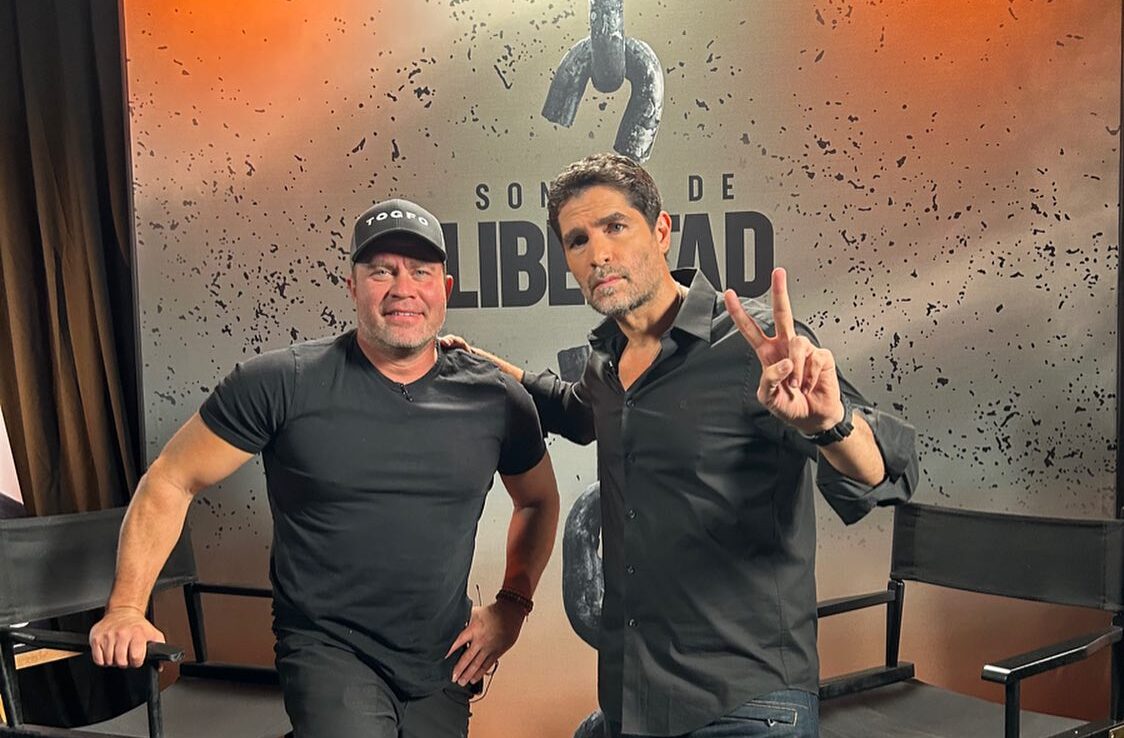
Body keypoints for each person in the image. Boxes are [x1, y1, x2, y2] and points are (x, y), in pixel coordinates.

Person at [452, 154, 919, 737]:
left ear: (662, 231)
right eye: (578, 240)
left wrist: (830, 423)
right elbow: (574, 410)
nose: (598, 254)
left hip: (746, 704)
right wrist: (477, 364)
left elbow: (884, 472)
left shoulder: (753, 347)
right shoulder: (607, 363)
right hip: (634, 702)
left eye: (615, 227)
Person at [89, 198, 562, 738]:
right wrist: (126, 607)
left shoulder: (496, 398)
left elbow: (537, 500)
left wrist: (512, 606)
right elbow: (172, 478)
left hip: (441, 659)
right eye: (381, 271)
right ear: (352, 286)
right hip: (329, 649)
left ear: (445, 289)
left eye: (421, 272)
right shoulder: (281, 383)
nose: (403, 289)